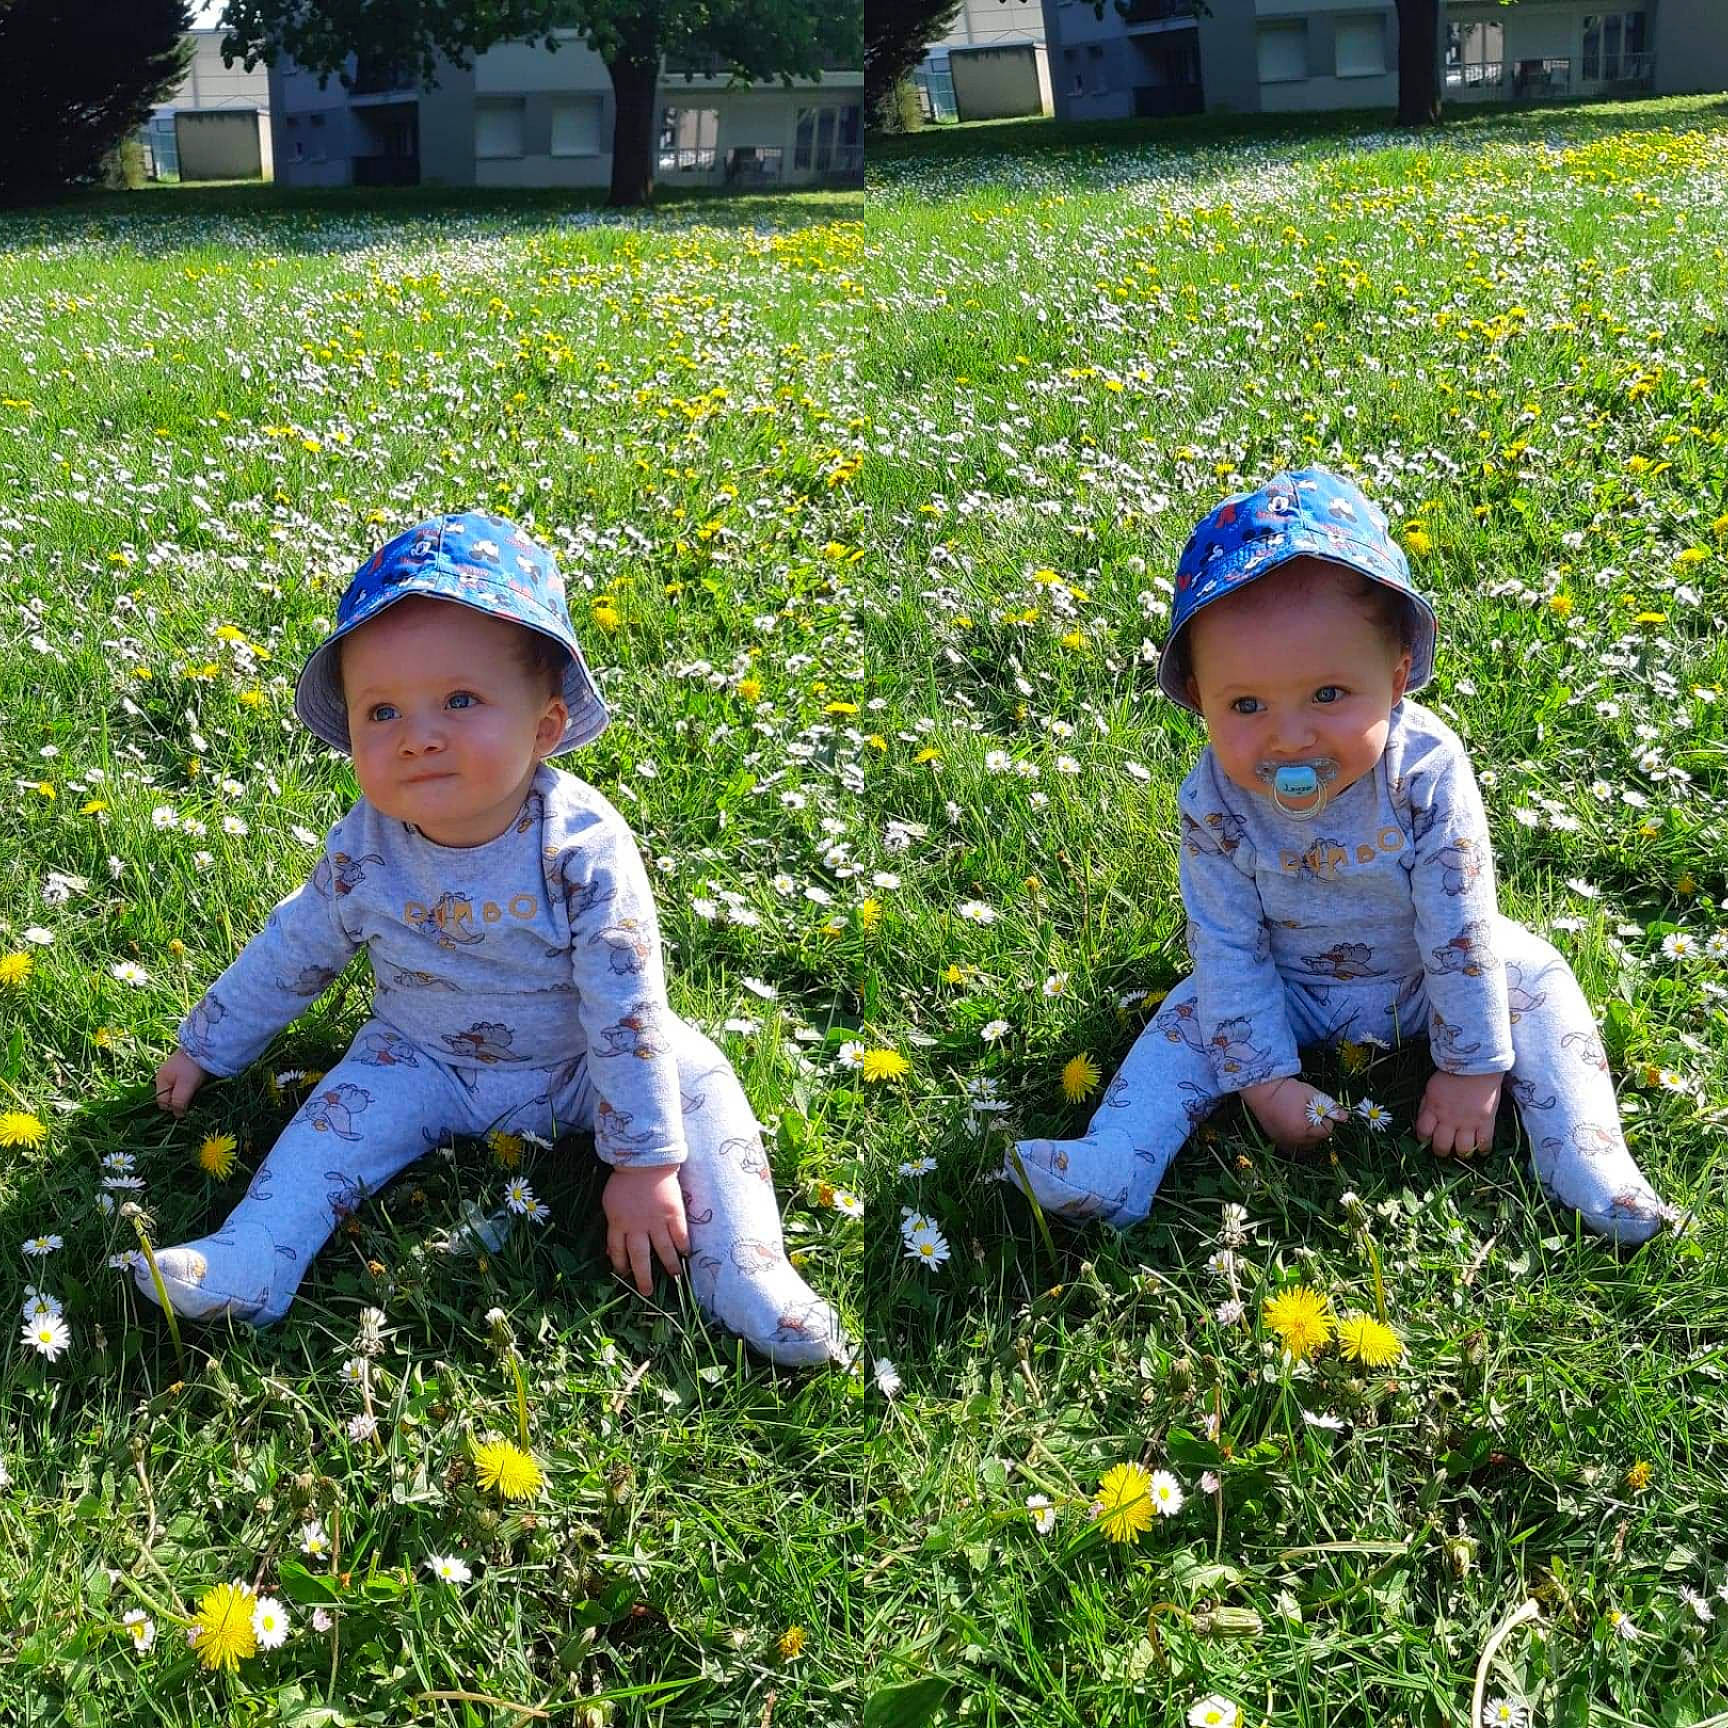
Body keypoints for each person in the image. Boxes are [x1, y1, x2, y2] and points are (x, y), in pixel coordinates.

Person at [140, 511, 848, 1365]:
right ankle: (255, 1256)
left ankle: (745, 1267)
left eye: (461, 701)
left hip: (584, 1060)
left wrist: (643, 1162)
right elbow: (296, 950)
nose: (419, 734)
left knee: (700, 1082)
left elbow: (626, 1006)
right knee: (331, 1121)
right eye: (383, 710)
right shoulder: (365, 848)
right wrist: (208, 1045)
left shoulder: (581, 847)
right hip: (423, 1058)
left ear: (545, 727)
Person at [1004, 468, 1675, 1244]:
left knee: (1539, 980)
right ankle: (1118, 1161)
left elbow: (1461, 923)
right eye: (1246, 705)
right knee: (1190, 1014)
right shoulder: (1213, 800)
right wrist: (1263, 1081)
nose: (1290, 737)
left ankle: (1587, 1155)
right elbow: (1226, 945)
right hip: (1292, 983)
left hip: (1427, 971)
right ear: (1199, 697)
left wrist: (1470, 1066)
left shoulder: (1422, 770)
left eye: (1328, 696)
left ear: (1394, 682)